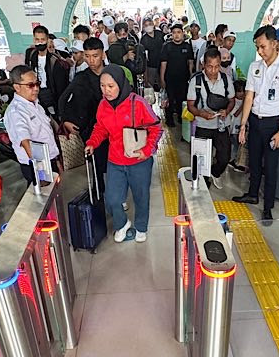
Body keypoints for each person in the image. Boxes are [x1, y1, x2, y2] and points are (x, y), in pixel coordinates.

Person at [84, 65, 161, 243]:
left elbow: (156, 128)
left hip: (138, 161)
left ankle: (141, 227)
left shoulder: (138, 103)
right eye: (102, 86)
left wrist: (147, 150)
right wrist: (92, 142)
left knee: (141, 198)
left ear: (120, 83)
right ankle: (122, 223)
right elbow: (100, 128)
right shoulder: (103, 105)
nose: (106, 90)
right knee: (112, 199)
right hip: (115, 161)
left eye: (111, 86)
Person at [232, 25, 279, 220]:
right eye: (257, 47)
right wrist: (243, 125)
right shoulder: (255, 67)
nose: (260, 51)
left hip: (273, 124)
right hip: (255, 121)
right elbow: (249, 97)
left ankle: (268, 205)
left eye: (263, 47)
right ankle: (252, 194)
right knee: (253, 161)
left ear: (274, 44)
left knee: (270, 166)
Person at [60, 37, 107, 190]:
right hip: (91, 128)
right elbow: (63, 99)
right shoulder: (82, 78)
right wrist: (65, 120)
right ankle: (98, 191)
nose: (91, 60)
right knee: (96, 163)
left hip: (113, 128)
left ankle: (115, 192)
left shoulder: (113, 74)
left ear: (103, 55)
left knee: (114, 163)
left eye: (95, 56)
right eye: (87, 56)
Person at [187, 48, 235, 189]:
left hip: (221, 125)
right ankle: (204, 182)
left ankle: (215, 173)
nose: (213, 70)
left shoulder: (226, 80)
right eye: (209, 66)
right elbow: (190, 106)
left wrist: (227, 111)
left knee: (225, 157)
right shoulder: (196, 81)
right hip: (203, 126)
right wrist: (201, 113)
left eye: (217, 66)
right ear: (203, 64)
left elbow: (232, 100)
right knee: (201, 159)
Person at [5, 65, 60, 187]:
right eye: (30, 85)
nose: (36, 89)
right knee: (43, 196)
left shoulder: (36, 105)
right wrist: (41, 173)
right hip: (37, 166)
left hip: (49, 160)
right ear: (17, 87)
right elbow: (26, 142)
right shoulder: (16, 112)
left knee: (56, 194)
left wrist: (56, 160)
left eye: (37, 83)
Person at [160, 24, 194, 128]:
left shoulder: (187, 46)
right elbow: (163, 64)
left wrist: (191, 76)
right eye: (174, 33)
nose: (176, 35)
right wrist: (162, 78)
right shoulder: (167, 46)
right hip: (170, 78)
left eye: (178, 32)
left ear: (183, 33)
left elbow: (190, 62)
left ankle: (180, 117)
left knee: (181, 99)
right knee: (170, 99)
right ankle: (169, 119)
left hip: (183, 78)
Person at [140, 18, 164, 92]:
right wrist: (145, 76)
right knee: (150, 87)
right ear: (144, 27)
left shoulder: (160, 34)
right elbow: (143, 57)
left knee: (163, 85)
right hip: (150, 66)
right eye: (146, 25)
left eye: (150, 24)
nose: (148, 27)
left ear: (153, 24)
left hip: (162, 64)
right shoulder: (143, 39)